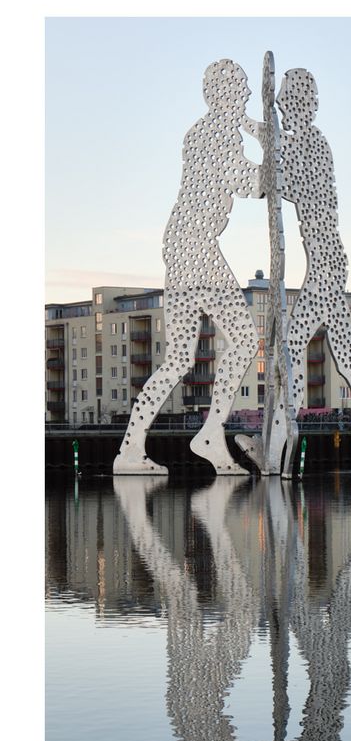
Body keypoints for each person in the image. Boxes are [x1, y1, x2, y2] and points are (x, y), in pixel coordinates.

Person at [114, 59, 262, 475]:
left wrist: (257, 132)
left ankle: (131, 451)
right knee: (246, 338)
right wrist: (272, 147)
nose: (248, 96)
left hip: (182, 246)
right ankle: (212, 432)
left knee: (179, 359)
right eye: (242, 89)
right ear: (225, 94)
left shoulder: (204, 131)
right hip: (195, 249)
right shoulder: (215, 133)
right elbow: (250, 183)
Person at [261, 68, 351, 475]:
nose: (285, 108)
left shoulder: (314, 144)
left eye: (290, 102)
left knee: (292, 343)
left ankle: (285, 430)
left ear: (306, 106)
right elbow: (280, 166)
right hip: (325, 261)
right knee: (344, 355)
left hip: (327, 261)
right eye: (282, 102)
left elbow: (298, 188)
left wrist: (267, 153)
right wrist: (260, 128)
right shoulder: (296, 141)